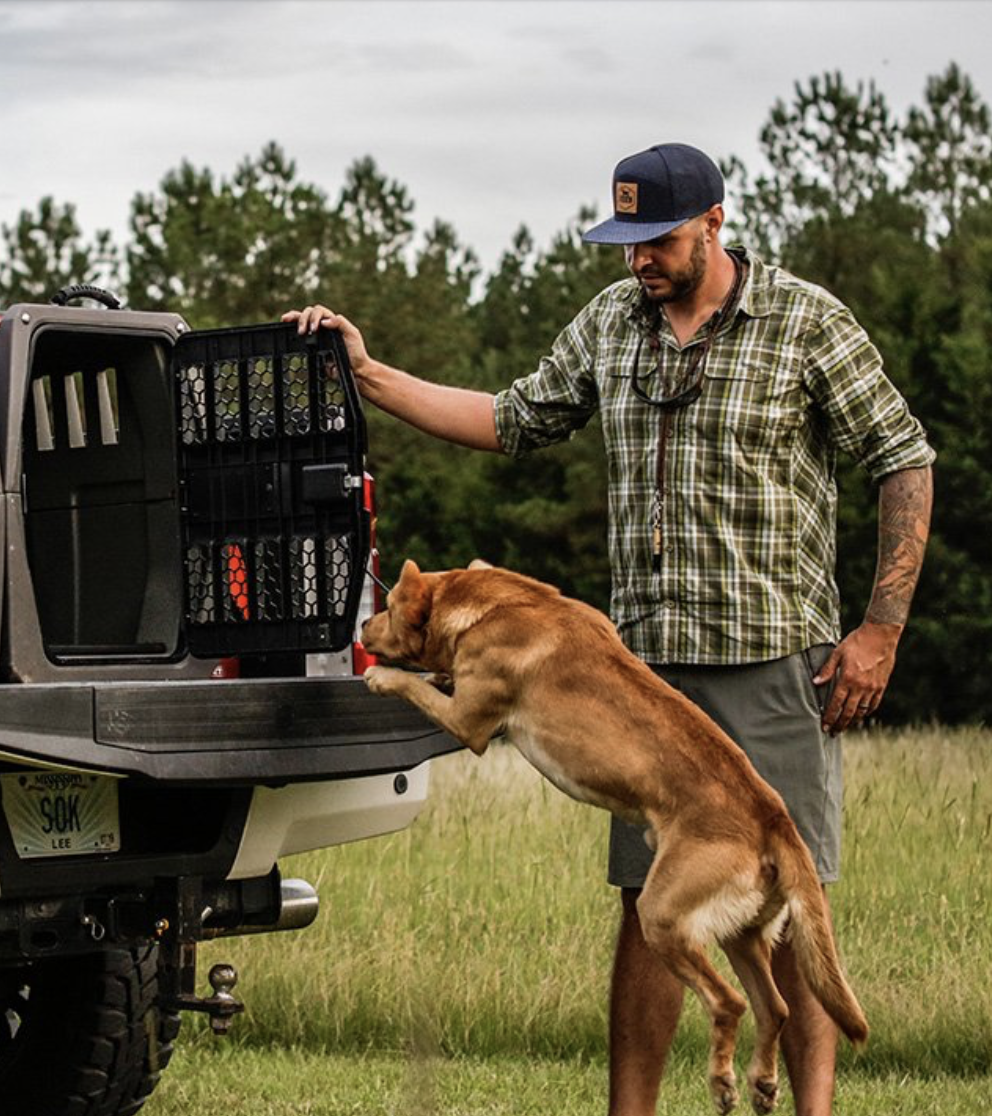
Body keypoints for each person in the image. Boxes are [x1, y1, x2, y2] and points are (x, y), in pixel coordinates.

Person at [285, 142, 934, 1116]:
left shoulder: (806, 322)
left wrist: (880, 628)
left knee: (792, 900)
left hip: (772, 659)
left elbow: (902, 456)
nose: (638, 259)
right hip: (640, 673)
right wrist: (369, 374)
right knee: (645, 908)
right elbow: (508, 418)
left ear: (713, 222)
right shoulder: (611, 323)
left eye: (657, 239)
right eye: (625, 240)